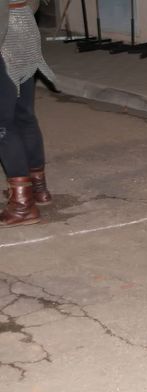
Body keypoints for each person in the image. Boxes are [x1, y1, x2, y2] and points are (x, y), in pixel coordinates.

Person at [0, 0, 56, 227]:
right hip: (23, 25)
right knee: (23, 114)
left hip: (4, 35)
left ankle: (22, 205)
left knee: (3, 123)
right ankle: (37, 188)